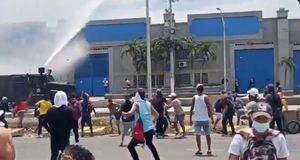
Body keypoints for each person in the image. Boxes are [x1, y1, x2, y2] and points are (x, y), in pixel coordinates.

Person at [122, 88, 160, 160]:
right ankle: (157, 158)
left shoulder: (137, 103)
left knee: (130, 146)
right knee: (150, 144)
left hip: (142, 130)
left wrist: (121, 113)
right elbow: (157, 115)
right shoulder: (148, 103)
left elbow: (130, 113)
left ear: (138, 95)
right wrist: (152, 121)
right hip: (150, 128)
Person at [45, 91, 74, 160]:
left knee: (54, 155)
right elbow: (73, 122)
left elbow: (44, 122)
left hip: (54, 136)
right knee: (66, 156)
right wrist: (68, 129)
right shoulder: (69, 110)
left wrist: (49, 130)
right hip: (65, 136)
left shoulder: (50, 110)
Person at [190, 84, 214, 156]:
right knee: (207, 134)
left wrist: (190, 118)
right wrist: (212, 117)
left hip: (197, 119)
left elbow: (191, 108)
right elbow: (209, 108)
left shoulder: (194, 97)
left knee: (198, 134)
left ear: (197, 89)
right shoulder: (206, 97)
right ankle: (209, 149)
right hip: (205, 118)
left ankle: (199, 149)